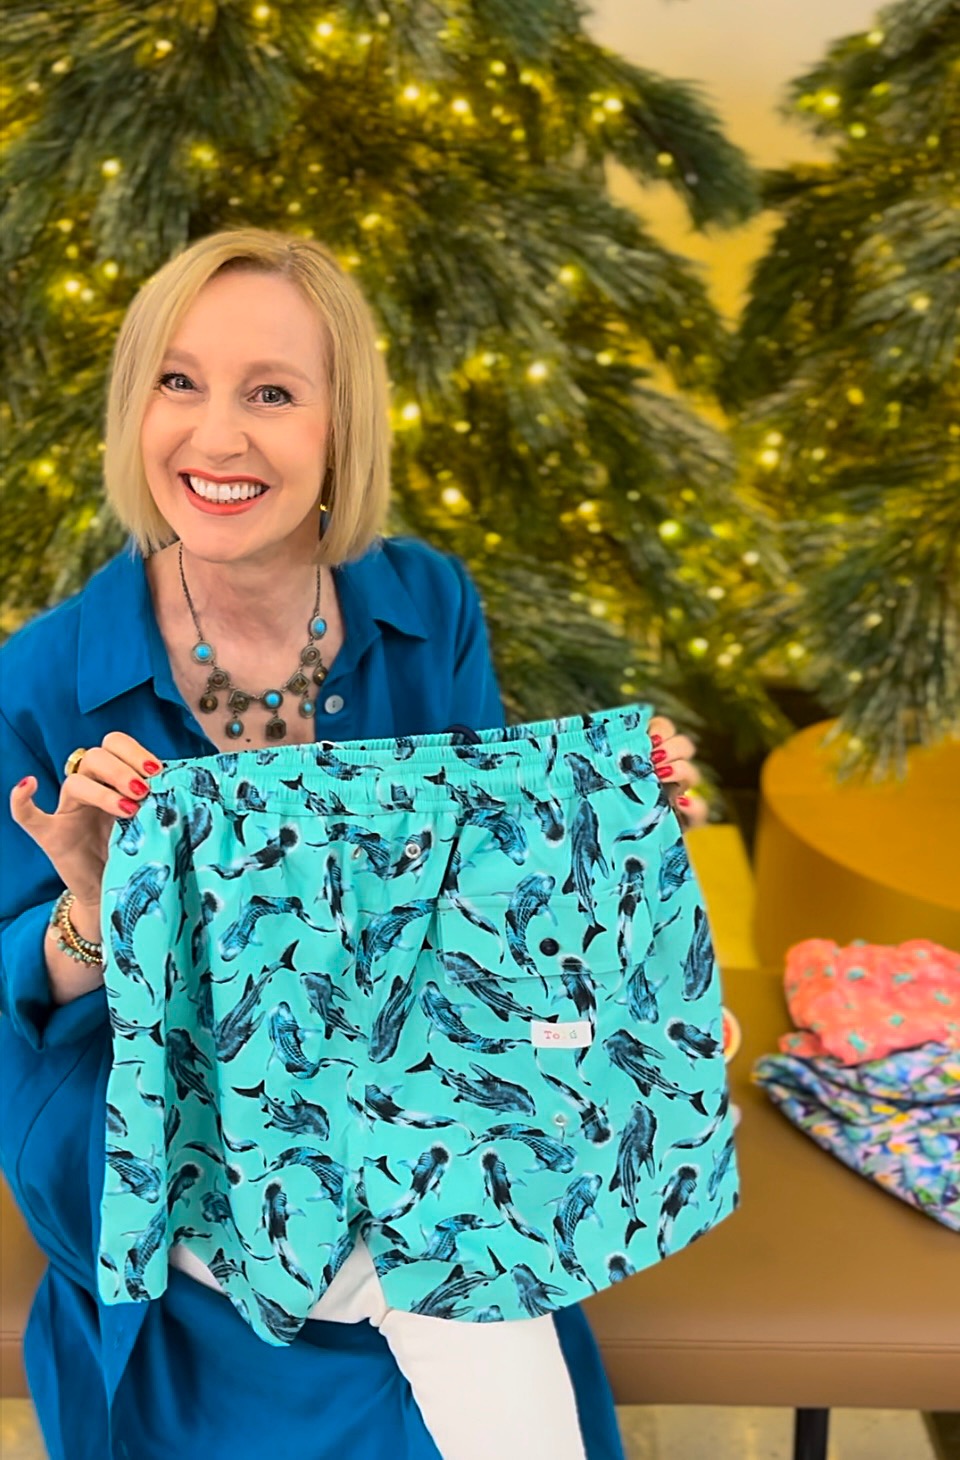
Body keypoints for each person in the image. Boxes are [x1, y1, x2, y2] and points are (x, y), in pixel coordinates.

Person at [0, 227, 704, 1460]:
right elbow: (19, 1004)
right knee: (465, 1303)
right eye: (179, 381)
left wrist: (607, 823)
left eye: (271, 392)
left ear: (341, 427)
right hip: (166, 1135)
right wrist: (89, 917)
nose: (216, 436)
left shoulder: (426, 608)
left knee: (460, 1277)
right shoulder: (46, 675)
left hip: (405, 1102)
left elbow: (488, 909)